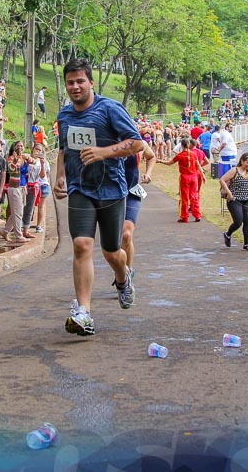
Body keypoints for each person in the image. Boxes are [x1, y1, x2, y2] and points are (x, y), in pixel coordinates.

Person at [54, 58, 144, 337]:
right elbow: (63, 149)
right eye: (70, 82)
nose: (75, 86)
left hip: (112, 189)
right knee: (81, 245)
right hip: (80, 188)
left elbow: (138, 142)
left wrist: (104, 152)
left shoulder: (110, 109)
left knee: (111, 251)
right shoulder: (64, 116)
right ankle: (84, 312)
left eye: (80, 81)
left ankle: (123, 276)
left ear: (91, 82)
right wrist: (60, 177)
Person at [118, 141, 156, 282]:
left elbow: (151, 157)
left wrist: (148, 173)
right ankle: (119, 268)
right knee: (112, 241)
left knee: (126, 234)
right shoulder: (107, 141)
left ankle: (127, 273)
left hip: (132, 193)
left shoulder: (139, 143)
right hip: (111, 196)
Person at [158, 137, 205, 223]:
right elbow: (198, 165)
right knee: (194, 196)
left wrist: (160, 161)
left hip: (184, 177)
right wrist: (203, 175)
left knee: (184, 197)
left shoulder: (180, 155)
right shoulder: (193, 154)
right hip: (193, 177)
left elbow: (169, 163)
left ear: (182, 145)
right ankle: (197, 215)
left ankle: (184, 217)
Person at [219, 153, 248, 251]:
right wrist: (229, 193)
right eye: (247, 162)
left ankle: (246, 243)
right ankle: (228, 234)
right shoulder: (234, 170)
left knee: (247, 222)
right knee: (238, 221)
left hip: (246, 199)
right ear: (242, 161)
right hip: (235, 200)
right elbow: (222, 180)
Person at [2, 140, 27, 243]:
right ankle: (18, 235)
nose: (20, 148)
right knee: (18, 213)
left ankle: (5, 231)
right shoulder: (11, 158)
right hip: (14, 187)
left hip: (22, 187)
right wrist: (16, 161)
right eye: (18, 146)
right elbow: (11, 169)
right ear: (14, 147)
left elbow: (34, 161)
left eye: (22, 146)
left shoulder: (24, 157)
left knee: (16, 212)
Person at [28, 143, 51, 234]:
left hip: (42, 185)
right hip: (32, 185)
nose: (37, 151)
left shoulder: (44, 162)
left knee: (40, 206)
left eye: (40, 150)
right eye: (36, 149)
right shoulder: (30, 160)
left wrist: (42, 164)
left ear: (42, 152)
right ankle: (28, 224)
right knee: (30, 206)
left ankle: (38, 226)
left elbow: (45, 175)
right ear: (32, 150)